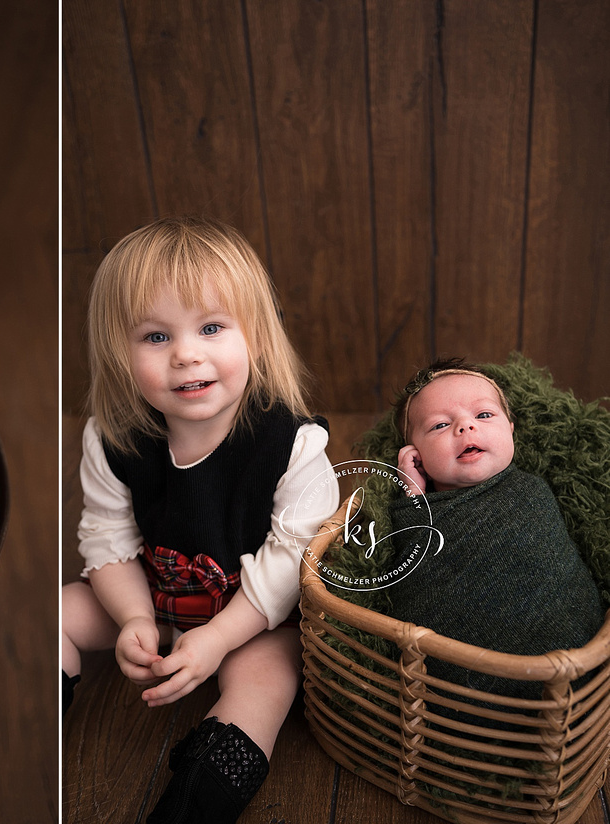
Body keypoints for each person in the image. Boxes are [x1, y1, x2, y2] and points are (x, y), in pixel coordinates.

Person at [61, 216, 339, 823]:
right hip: (156, 599)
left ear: (256, 338)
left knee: (266, 680)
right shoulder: (112, 438)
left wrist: (216, 639)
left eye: (212, 327)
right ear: (119, 348)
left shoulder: (292, 442)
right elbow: (106, 538)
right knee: (54, 613)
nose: (187, 354)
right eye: (155, 337)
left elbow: (291, 562)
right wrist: (133, 615)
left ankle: (196, 800)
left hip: (252, 620)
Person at [387, 359, 603, 702]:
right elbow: (412, 571)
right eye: (441, 425)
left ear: (511, 430)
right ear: (417, 456)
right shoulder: (420, 512)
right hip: (468, 687)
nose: (465, 428)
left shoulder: (531, 492)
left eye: (483, 416)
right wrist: (412, 494)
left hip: (569, 665)